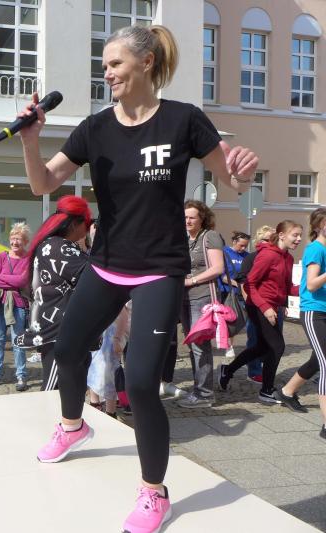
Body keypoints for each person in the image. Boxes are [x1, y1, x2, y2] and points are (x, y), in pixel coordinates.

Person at [18, 23, 258, 531]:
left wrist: (243, 174)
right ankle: (72, 426)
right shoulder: (95, 128)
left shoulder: (183, 119)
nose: (107, 73)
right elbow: (42, 183)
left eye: (115, 64)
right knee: (67, 347)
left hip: (159, 270)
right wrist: (31, 141)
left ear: (146, 63)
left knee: (144, 382)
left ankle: (154, 493)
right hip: (107, 264)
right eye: (104, 65)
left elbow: (231, 180)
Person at [219, 220, 302, 404]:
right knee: (277, 346)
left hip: (273, 307)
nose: (299, 239)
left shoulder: (288, 258)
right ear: (282, 235)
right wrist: (265, 308)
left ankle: (228, 370)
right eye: (295, 235)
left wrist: (309, 287)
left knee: (262, 347)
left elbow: (287, 287)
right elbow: (249, 284)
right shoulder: (267, 255)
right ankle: (266, 390)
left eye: (300, 236)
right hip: (258, 306)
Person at [14, 195, 92, 391]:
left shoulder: (53, 245)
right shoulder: (58, 247)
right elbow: (92, 276)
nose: (88, 228)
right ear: (74, 224)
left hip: (60, 326)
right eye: (86, 223)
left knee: (70, 387)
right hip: (59, 328)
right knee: (53, 389)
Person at [274, 209, 326, 429]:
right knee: (325, 363)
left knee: (317, 360)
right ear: (319, 226)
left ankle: (286, 392)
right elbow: (312, 284)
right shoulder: (316, 249)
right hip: (315, 312)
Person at [176, 200, 225, 409]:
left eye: (192, 217)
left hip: (202, 297)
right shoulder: (184, 239)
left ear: (202, 218)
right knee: (193, 345)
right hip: (184, 297)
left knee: (200, 346)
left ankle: (204, 394)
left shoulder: (209, 236)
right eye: (185, 217)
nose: (187, 221)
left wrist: (192, 280)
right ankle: (199, 390)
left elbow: (218, 268)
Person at [0, 223, 30, 391]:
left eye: (18, 239)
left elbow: (22, 281)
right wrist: (12, 280)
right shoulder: (2, 257)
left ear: (25, 241)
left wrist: (3, 276)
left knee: (18, 341)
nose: (14, 242)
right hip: (1, 303)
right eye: (12, 238)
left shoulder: (27, 259)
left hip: (18, 304)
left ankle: (21, 376)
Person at [234, 225, 274, 384]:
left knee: (273, 342)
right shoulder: (251, 258)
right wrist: (249, 302)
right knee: (255, 339)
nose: (270, 242)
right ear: (259, 240)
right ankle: (254, 371)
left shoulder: (277, 257)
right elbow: (244, 282)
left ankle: (268, 372)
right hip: (255, 305)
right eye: (267, 239)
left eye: (273, 239)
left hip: (273, 305)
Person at [219, 231, 250, 359]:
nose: (243, 248)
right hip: (227, 292)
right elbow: (222, 275)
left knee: (241, 318)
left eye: (245, 246)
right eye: (241, 245)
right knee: (229, 319)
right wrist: (236, 284)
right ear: (234, 242)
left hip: (241, 292)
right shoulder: (224, 253)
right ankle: (228, 346)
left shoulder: (247, 256)